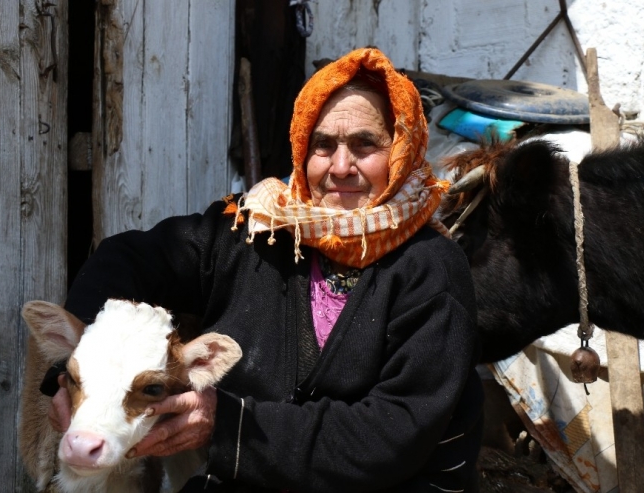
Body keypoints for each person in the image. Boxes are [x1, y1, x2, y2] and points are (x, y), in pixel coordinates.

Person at [46, 47, 484, 492]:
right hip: (256, 478)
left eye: (365, 144)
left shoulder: (431, 269)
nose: (339, 166)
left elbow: (393, 433)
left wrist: (230, 426)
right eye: (323, 144)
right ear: (301, 148)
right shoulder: (255, 230)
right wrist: (72, 374)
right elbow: (127, 259)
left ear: (402, 151)